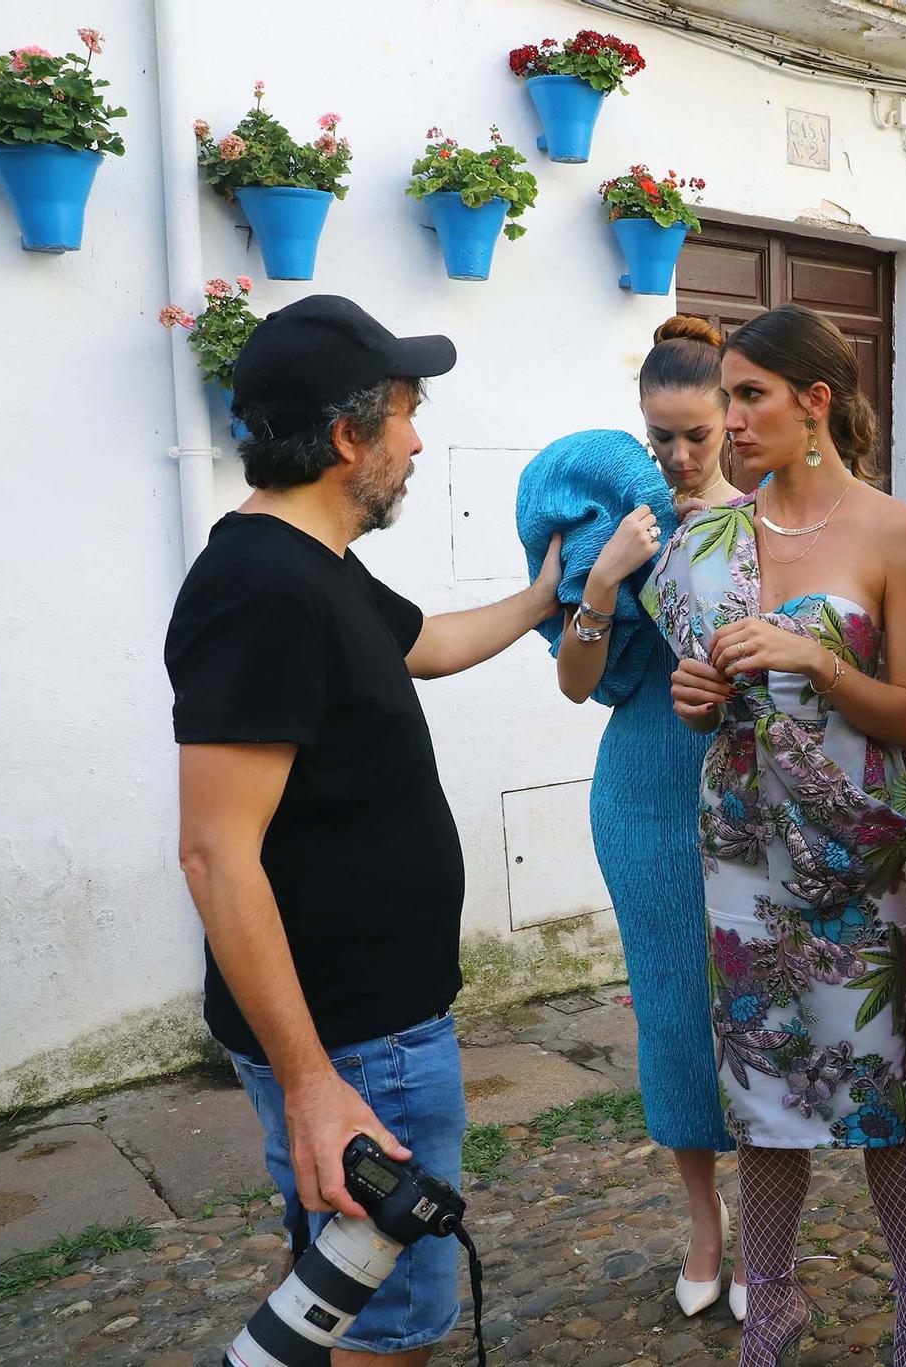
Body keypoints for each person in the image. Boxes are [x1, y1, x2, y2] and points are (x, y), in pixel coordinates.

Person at [166, 295, 564, 1366]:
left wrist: (549, 593)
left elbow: (425, 642)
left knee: (355, 1302)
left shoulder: (314, 568)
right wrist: (312, 1081)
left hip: (369, 1031)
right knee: (386, 1328)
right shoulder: (262, 588)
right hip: (354, 1045)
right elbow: (215, 851)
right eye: (404, 411)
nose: (418, 436)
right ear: (348, 438)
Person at [645, 304, 906, 1367]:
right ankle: (766, 1304)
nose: (729, 419)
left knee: (881, 1083)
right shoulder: (706, 538)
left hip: (850, 852)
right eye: (726, 397)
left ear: (813, 401)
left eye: (748, 396)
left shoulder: (896, 531)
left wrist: (816, 662)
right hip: (740, 848)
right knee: (760, 1082)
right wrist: (694, 694)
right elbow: (711, 694)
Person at [514, 315, 748, 1322]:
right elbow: (577, 685)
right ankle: (703, 1223)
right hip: (645, 794)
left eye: (698, 434)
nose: (681, 456)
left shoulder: (772, 513)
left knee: (766, 1012)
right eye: (662, 436)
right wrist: (604, 576)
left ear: (734, 418)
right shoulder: (613, 518)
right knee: (669, 1014)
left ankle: (770, 1229)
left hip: (755, 792)